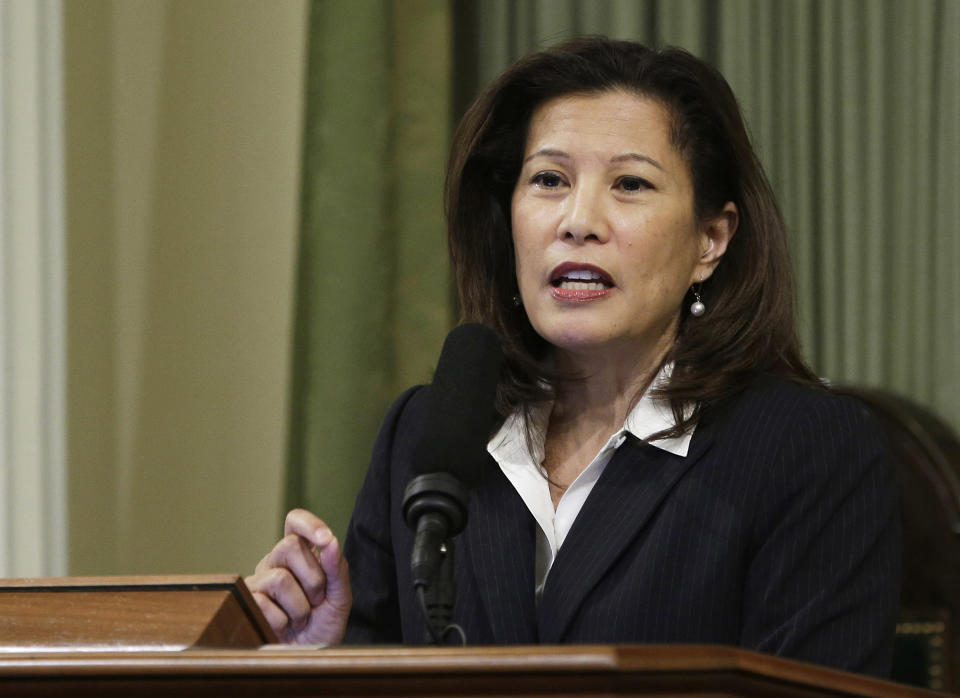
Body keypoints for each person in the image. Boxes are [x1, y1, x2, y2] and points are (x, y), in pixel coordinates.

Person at [246, 37, 900, 676]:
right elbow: (384, 661)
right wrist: (321, 660)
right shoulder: (431, 434)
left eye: (631, 184)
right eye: (550, 179)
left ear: (711, 239)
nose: (578, 220)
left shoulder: (807, 450)